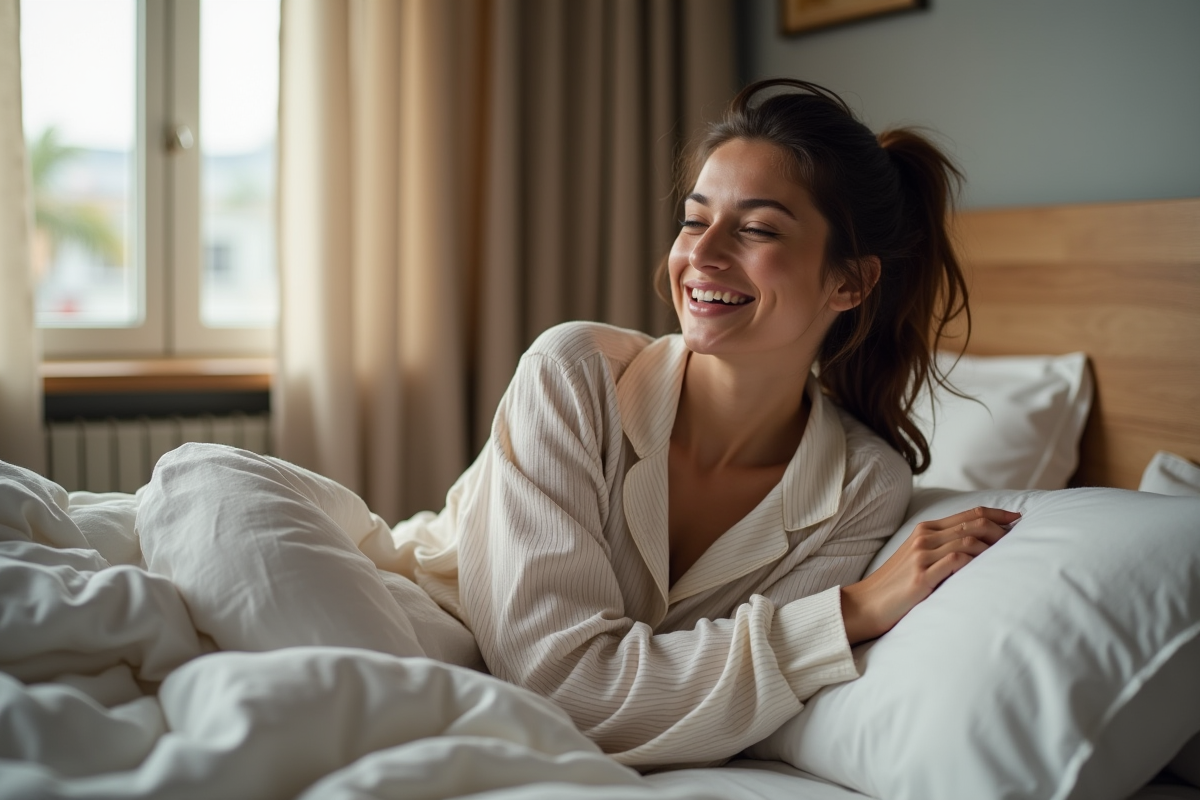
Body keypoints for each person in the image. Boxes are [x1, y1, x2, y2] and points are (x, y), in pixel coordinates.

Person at [139, 78, 1018, 771]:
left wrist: (838, 619)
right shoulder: (576, 372)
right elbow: (563, 678)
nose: (700, 257)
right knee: (207, 479)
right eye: (693, 220)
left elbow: (699, 698)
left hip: (487, 699)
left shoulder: (864, 486)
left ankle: (403, 724)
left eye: (754, 230)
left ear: (850, 284)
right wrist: (852, 612)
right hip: (419, 613)